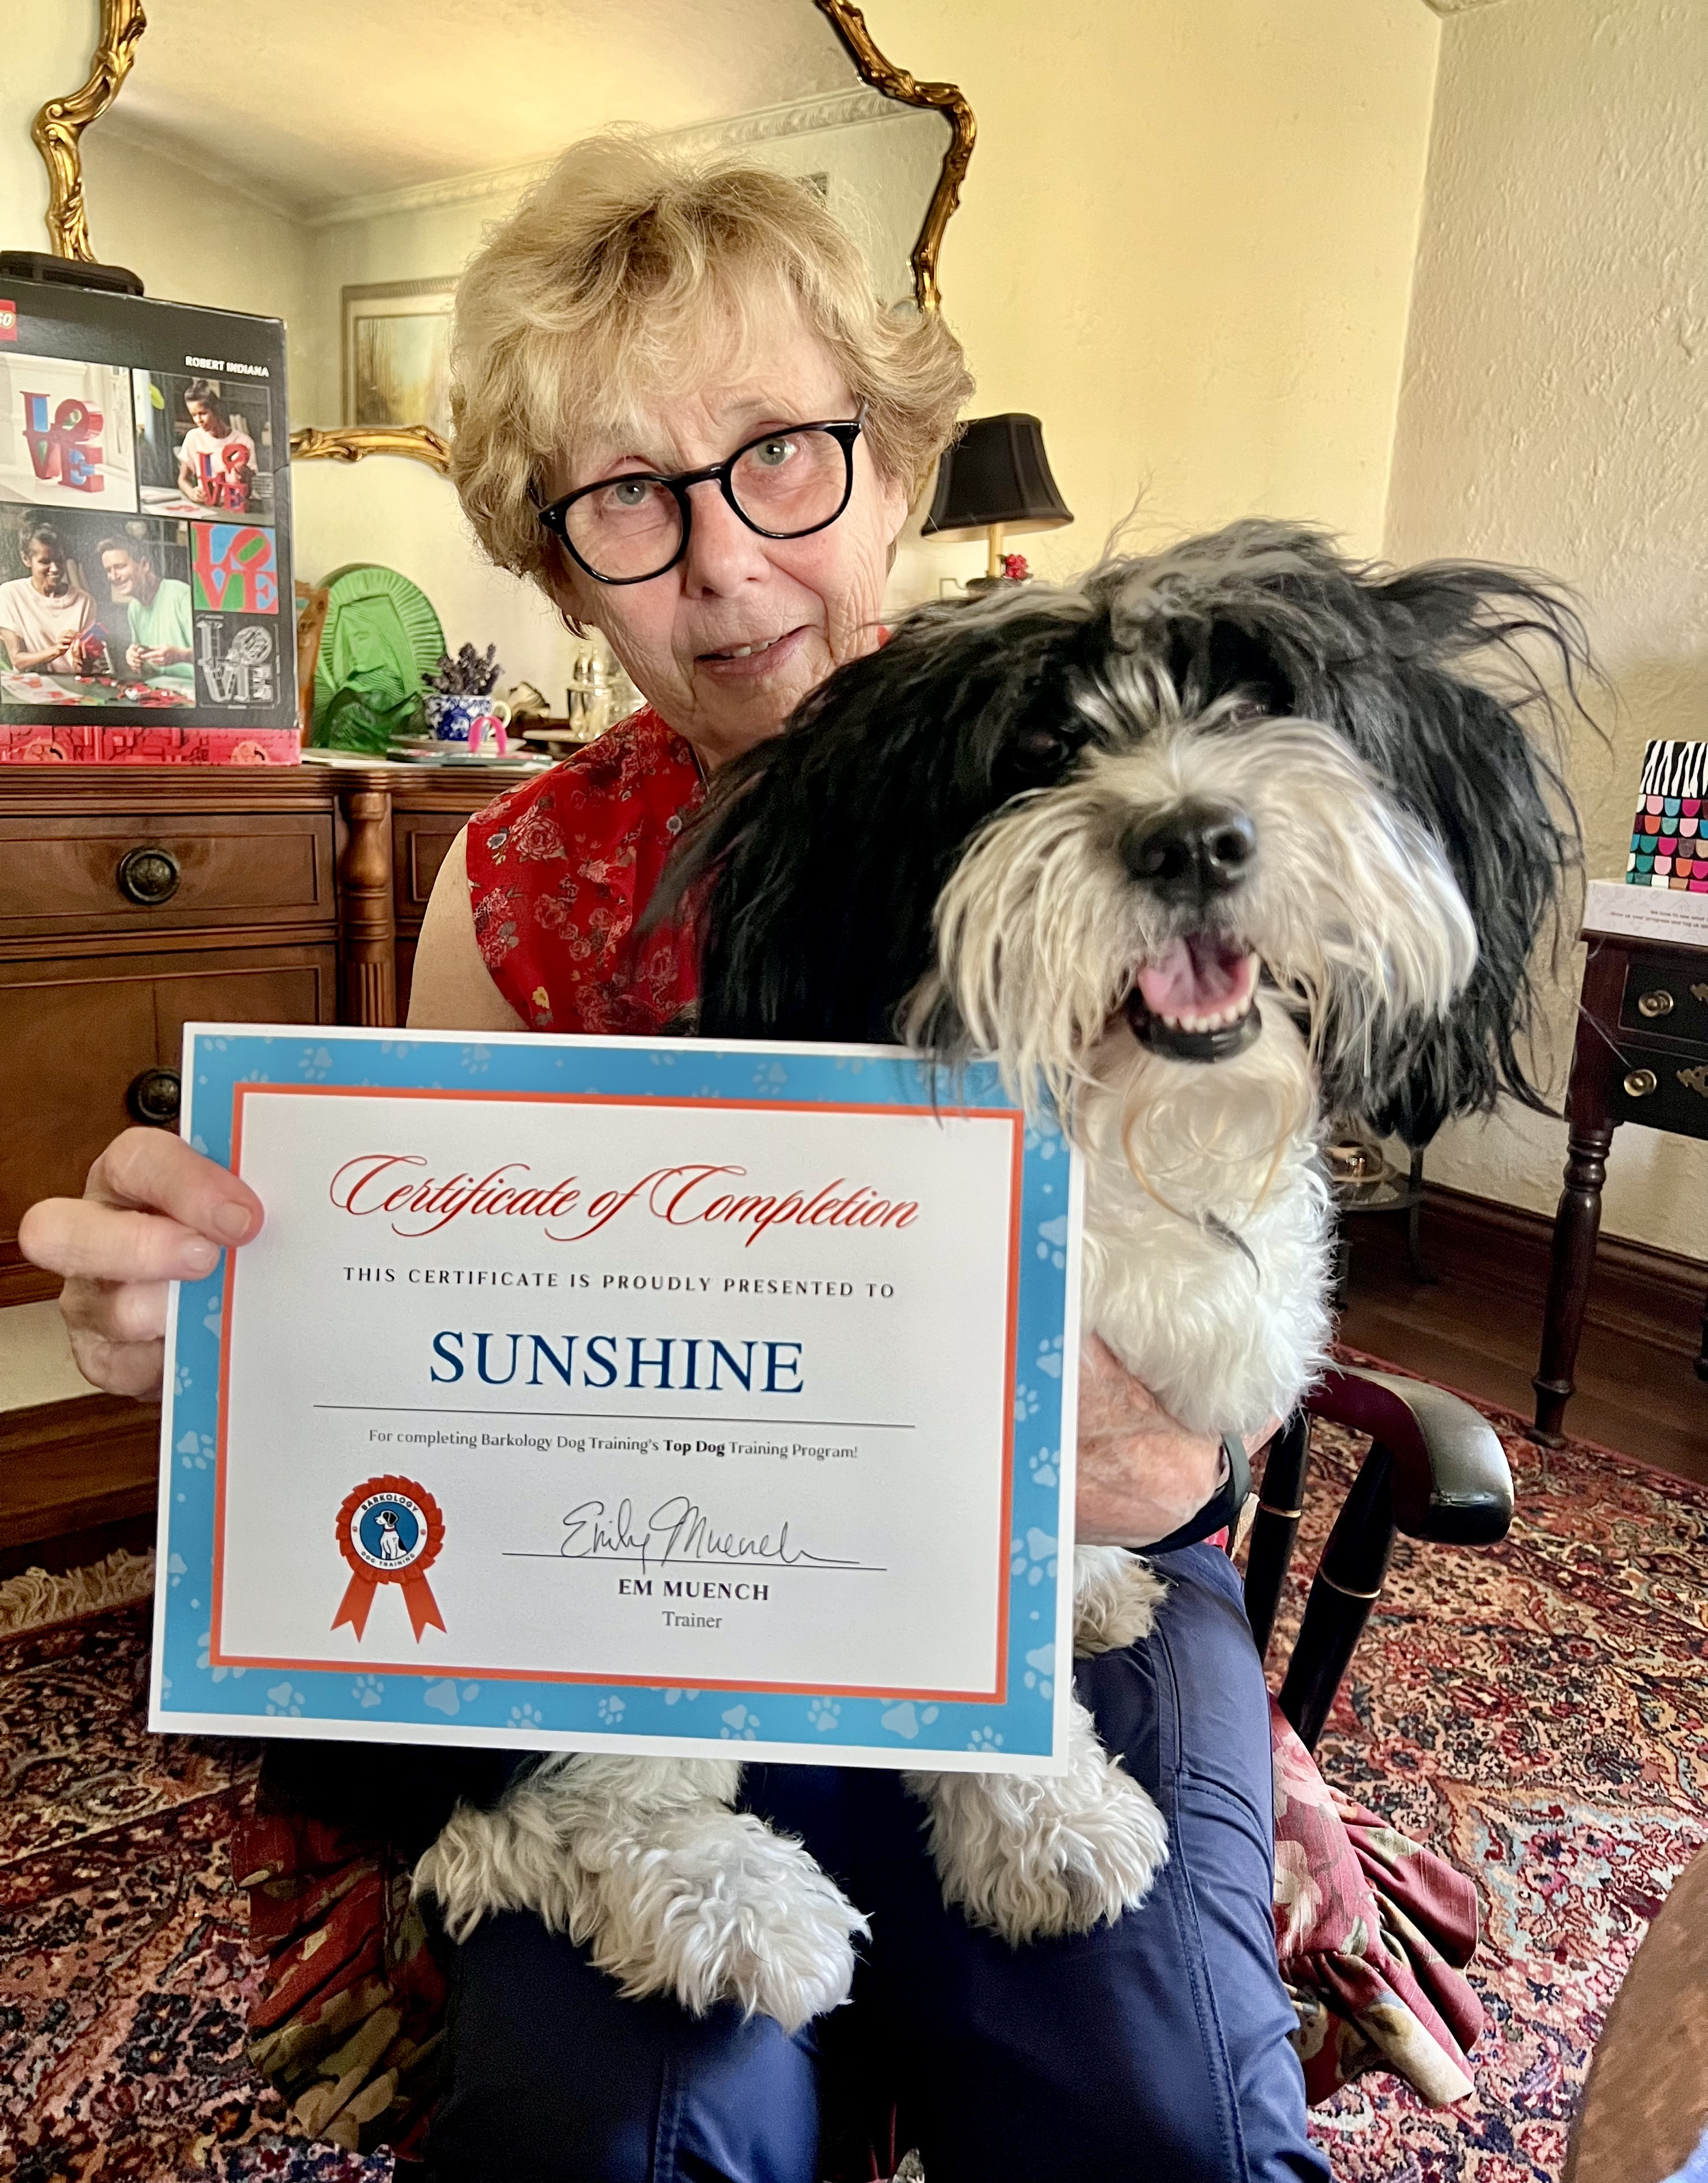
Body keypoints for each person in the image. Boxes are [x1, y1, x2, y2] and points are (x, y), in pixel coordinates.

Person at [19, 139, 1325, 2183]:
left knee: (1151, 2113)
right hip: (631, 1612)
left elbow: (1208, 1357)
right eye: (624, 497)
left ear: (890, 465)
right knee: (618, 2128)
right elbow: (422, 1366)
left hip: (1061, 1579)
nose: (717, 562)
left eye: (782, 456)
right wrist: (222, 1334)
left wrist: (1150, 1461)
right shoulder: (517, 877)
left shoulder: (1112, 790)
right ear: (555, 564)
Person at [0, 520, 96, 672]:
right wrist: (56, 650)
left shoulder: (84, 601)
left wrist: (82, 658)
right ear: (26, 559)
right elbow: (18, 660)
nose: (55, 569)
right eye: (45, 562)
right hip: (31, 687)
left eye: (59, 560)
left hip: (74, 685)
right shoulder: (9, 595)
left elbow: (85, 668)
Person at [98, 536, 195, 683]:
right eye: (108, 570)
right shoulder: (134, 608)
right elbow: (146, 669)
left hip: (191, 693)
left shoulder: (182, 595)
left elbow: (211, 656)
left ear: (144, 565)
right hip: (157, 693)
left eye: (119, 567)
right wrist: (135, 659)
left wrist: (181, 656)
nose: (113, 576)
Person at [176, 379, 258, 512]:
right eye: (194, 415)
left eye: (203, 413)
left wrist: (243, 472)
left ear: (216, 410)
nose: (198, 421)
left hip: (235, 509)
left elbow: (249, 489)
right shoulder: (193, 438)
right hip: (207, 509)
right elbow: (182, 480)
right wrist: (192, 493)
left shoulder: (244, 442)